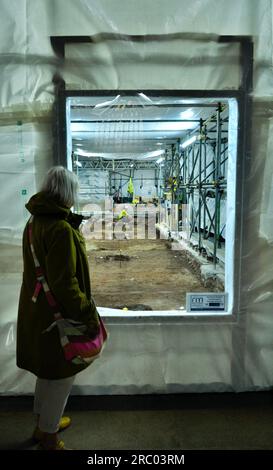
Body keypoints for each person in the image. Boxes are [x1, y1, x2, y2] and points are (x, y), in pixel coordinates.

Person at [16, 166, 100, 450]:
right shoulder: (60, 229)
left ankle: (42, 424)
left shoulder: (34, 222)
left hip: (38, 311)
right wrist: (86, 312)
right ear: (68, 193)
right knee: (62, 374)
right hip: (58, 315)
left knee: (46, 371)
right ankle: (49, 435)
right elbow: (65, 283)